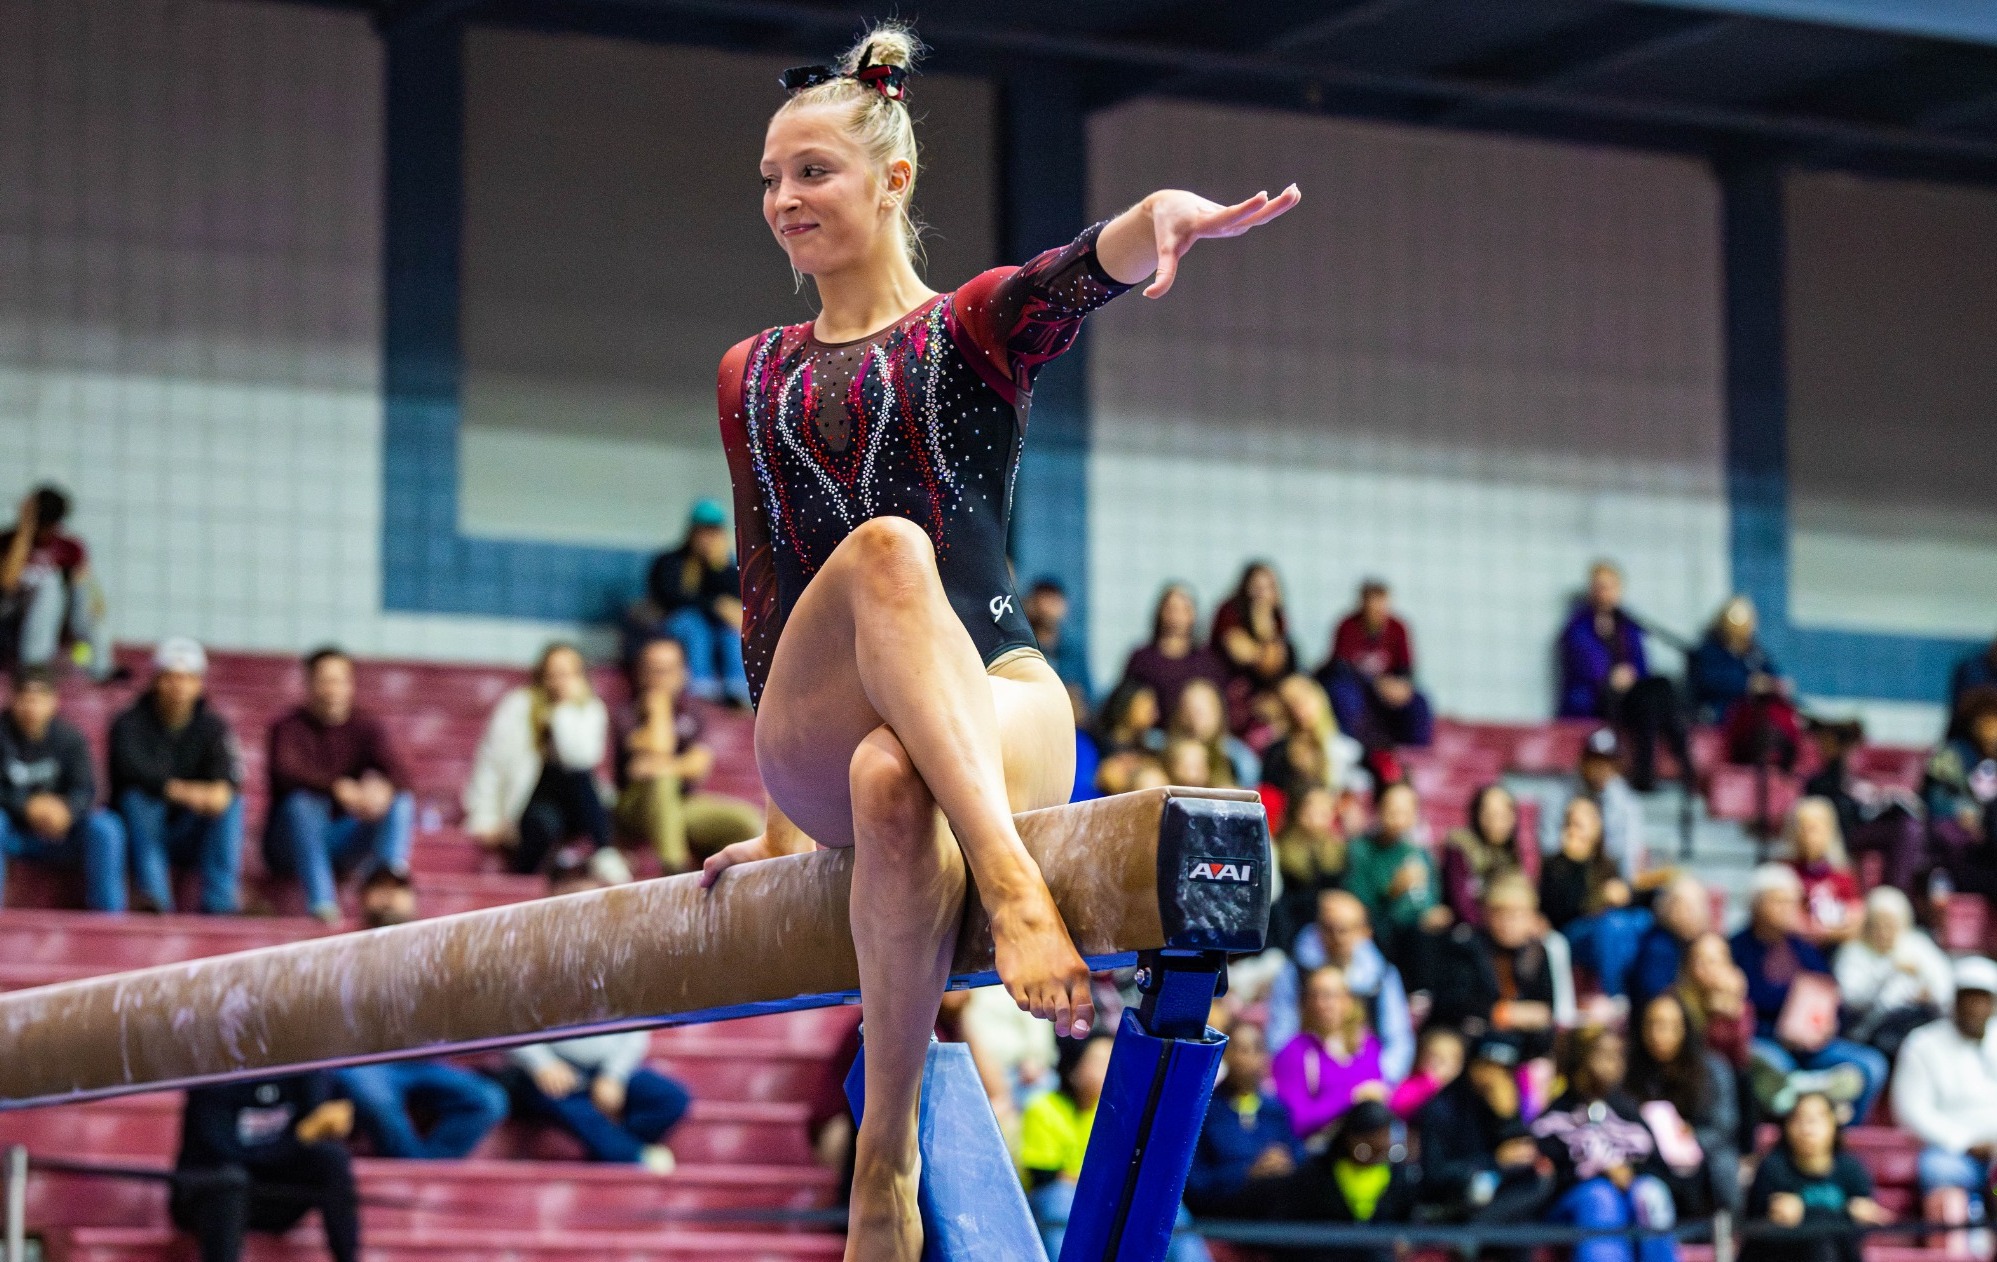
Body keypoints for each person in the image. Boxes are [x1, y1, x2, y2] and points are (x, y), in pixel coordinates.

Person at [694, 24, 1300, 1258]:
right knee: (883, 553)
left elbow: (1066, 277)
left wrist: (1154, 221)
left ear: (890, 178)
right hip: (815, 725)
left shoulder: (962, 334)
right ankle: (1011, 882)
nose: (782, 200)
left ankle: (887, 1160)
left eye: (811, 171)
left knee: (890, 775)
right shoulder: (750, 375)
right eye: (769, 178)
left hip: (997, 700)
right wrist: (771, 830)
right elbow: (766, 592)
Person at [1025, 1031, 1212, 1262]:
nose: (1112, 1068)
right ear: (1073, 1069)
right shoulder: (1044, 1108)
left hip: (1110, 1195)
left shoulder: (1126, 1114)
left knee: (1170, 1206)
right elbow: (1043, 1176)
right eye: (1100, 1061)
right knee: (1059, 1198)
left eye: (1114, 1059)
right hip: (1066, 1200)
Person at [264, 648, 414, 925]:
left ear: (351, 685)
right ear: (308, 684)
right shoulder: (287, 728)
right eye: (325, 680)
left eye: (340, 680)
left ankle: (387, 891)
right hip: (290, 845)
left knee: (399, 802)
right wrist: (337, 788)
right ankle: (323, 905)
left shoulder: (367, 726)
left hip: (344, 840)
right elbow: (286, 773)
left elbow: (401, 776)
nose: (333, 689)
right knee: (302, 805)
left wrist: (381, 791)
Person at [1730, 864, 1888, 1122]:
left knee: (1872, 1065)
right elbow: (1741, 1008)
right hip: (1765, 1041)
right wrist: (1781, 1029)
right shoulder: (1737, 949)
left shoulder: (1804, 949)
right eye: (1777, 901)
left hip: (1813, 1046)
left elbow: (1830, 995)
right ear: (1756, 903)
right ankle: (1809, 1094)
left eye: (1791, 902)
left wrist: (1827, 1025)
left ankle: (1836, 1137)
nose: (1785, 909)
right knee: (1772, 1067)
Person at [112, 638, 243, 915]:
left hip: (190, 830)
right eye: (171, 679)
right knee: (138, 800)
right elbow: (130, 772)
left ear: (198, 684)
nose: (179, 687)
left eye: (187, 679)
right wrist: (185, 792)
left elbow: (226, 779)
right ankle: (156, 900)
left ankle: (220, 903)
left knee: (231, 804)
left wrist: (218, 792)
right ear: (157, 681)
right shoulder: (129, 723)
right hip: (139, 832)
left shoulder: (213, 727)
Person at [172, 1072, 359, 1262]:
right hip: (206, 1198)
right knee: (229, 1180)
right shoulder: (214, 1076)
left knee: (332, 1157)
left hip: (268, 1196)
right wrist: (296, 1140)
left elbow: (316, 1116)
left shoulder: (297, 1069)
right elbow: (221, 1150)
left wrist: (314, 1126)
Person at [612, 637, 762, 873]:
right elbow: (659, 747)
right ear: (641, 673)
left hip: (680, 805)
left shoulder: (693, 712)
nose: (661, 678)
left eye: (668, 670)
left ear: (683, 672)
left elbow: (698, 766)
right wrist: (658, 705)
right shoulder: (626, 714)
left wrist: (663, 767)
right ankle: (674, 868)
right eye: (654, 671)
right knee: (661, 782)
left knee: (746, 821)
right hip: (634, 807)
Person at [1531, 1027, 1679, 1262]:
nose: (1615, 1063)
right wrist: (1603, 1171)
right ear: (1580, 1058)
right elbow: (1548, 1181)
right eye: (1604, 1054)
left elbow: (1663, 1171)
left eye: (1618, 1054)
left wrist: (1630, 1173)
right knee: (1601, 1197)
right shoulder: (1554, 1117)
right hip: (1575, 1205)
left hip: (1632, 1199)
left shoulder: (1628, 1111)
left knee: (1650, 1192)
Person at [464, 642, 611, 876]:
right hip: (533, 805)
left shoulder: (591, 709)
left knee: (580, 779)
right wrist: (486, 816)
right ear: (541, 675)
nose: (560, 681)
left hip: (578, 806)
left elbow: (580, 759)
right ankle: (524, 879)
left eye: (568, 674)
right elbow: (492, 763)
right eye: (553, 674)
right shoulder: (518, 706)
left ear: (581, 676)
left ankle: (604, 852)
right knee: (544, 824)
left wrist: (564, 710)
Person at [0, 666, 126, 910]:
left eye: (39, 698)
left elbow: (85, 790)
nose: (32, 706)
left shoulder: (71, 738)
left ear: (53, 701)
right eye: (25, 697)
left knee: (107, 828)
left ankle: (109, 920)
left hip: (63, 833)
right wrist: (27, 806)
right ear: (13, 699)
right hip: (13, 833)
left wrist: (67, 811)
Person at [1557, 563, 1690, 793]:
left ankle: (1655, 768)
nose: (1605, 592)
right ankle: (1679, 764)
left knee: (1661, 687)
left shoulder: (1627, 624)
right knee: (1649, 699)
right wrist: (1610, 675)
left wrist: (1631, 675)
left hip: (1629, 696)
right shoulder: (1578, 626)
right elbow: (1583, 661)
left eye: (1610, 587)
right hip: (1597, 695)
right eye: (1600, 586)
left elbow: (1641, 663)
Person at [1888, 956, 1997, 1234]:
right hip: (1951, 1151)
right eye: (1968, 998)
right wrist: (1965, 1142)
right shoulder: (1923, 1044)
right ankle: (1961, 1242)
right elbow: (1911, 1111)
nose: (1976, 1008)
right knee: (1940, 1172)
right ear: (1954, 1001)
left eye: (1983, 999)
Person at [1266, 890, 1416, 1081]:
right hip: (1308, 1077)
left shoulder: (1382, 976)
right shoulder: (1295, 971)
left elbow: (1398, 1039)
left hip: (1364, 1080)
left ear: (1365, 932)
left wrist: (1377, 1081)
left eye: (1344, 930)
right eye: (1328, 928)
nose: (1336, 937)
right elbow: (1280, 1033)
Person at [1431, 873, 1576, 1062]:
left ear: (1532, 917)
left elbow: (1546, 1009)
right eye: (1501, 913)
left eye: (1517, 914)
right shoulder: (1467, 946)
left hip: (1525, 1045)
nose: (1509, 922)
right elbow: (1453, 1002)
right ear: (1487, 914)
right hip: (1473, 1043)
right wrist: (1505, 1013)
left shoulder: (1538, 953)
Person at [1257, 1098, 1419, 1262]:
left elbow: (1407, 1221)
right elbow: (1292, 1229)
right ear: (1352, 1138)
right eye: (1373, 1138)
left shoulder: (1398, 1175)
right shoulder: (1317, 1173)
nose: (1383, 1142)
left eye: (1386, 1136)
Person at [1415, 1032, 1551, 1227]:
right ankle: (1471, 1235)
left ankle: (1476, 1234)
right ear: (1472, 1065)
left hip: (1500, 1197)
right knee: (1481, 1187)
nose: (1493, 1077)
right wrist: (1493, 1161)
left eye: (1504, 1070)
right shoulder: (1443, 1107)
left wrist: (1508, 1116)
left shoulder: (1505, 1101)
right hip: (1454, 1199)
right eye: (1488, 1066)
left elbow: (1523, 1152)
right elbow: (1435, 1174)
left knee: (1536, 1182)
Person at [1627, 991, 1741, 1215]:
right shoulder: (1629, 1072)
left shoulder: (1713, 1071)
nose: (1660, 1034)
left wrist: (1690, 1138)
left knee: (1724, 1165)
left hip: (1701, 1165)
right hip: (1648, 1165)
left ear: (1686, 1029)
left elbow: (1724, 1127)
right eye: (1653, 1024)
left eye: (1670, 1026)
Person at [1744, 1091, 1886, 1262]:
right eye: (1799, 1119)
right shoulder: (1772, 1168)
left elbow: (1861, 1226)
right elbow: (1752, 1228)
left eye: (1816, 1119)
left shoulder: (1852, 1169)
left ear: (1834, 1123)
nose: (1807, 1129)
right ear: (1786, 1126)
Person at [1185, 1021, 1303, 1216]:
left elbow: (1299, 1158)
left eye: (1256, 1049)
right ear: (1226, 1055)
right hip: (1224, 1215)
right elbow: (1196, 1182)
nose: (1249, 1058)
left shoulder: (1277, 1111)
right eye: (1241, 1049)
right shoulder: (1204, 1111)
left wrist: (1286, 1164)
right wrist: (1248, 1173)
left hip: (1277, 1215)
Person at [0, 485, 116, 681]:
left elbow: (93, 600)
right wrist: (25, 531)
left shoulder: (69, 547)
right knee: (48, 583)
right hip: (12, 619)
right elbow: (7, 583)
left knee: (70, 584)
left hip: (56, 622)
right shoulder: (9, 541)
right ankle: (34, 666)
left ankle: (101, 668)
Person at [641, 499, 750, 707]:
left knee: (730, 631)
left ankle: (737, 690)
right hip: (675, 622)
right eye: (703, 531)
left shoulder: (724, 565)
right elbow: (672, 598)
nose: (707, 538)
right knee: (694, 625)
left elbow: (733, 600)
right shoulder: (670, 561)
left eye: (713, 532)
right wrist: (714, 604)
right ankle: (701, 689)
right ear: (692, 531)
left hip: (713, 624)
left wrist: (718, 566)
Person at [1803, 718, 1926, 898]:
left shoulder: (1858, 774)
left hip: (1862, 824)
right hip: (1841, 832)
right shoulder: (1821, 780)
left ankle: (1893, 899)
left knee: (1909, 827)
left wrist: (1878, 801)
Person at [1541, 796, 1647, 994]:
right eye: (1572, 822)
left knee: (1643, 920)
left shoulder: (1607, 864)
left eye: (1584, 820)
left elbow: (1630, 900)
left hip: (1607, 928)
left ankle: (1642, 994)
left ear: (1598, 826)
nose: (1576, 827)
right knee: (1611, 926)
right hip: (1571, 933)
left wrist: (1627, 895)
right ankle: (1614, 995)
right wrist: (1576, 864)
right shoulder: (1554, 865)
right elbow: (1559, 913)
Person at [1834, 886, 1952, 1059]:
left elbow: (1946, 987)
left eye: (1889, 925)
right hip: (1872, 1029)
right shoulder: (1853, 951)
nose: (1883, 932)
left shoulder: (1918, 944)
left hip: (1919, 1021)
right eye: (1877, 925)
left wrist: (1929, 993)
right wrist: (1889, 973)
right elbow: (1851, 1000)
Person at [1272, 965, 1388, 1141]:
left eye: (1330, 995)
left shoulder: (1367, 1045)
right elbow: (1295, 1120)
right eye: (1314, 995)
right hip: (1322, 1152)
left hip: (1367, 1150)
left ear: (1348, 1000)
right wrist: (1351, 1097)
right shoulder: (1294, 1052)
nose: (1322, 1003)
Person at [1319, 579, 1433, 752]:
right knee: (1343, 696)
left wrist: (1400, 685)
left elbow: (1406, 667)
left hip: (1388, 686)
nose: (1377, 611)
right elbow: (1340, 667)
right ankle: (1353, 749)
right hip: (1357, 687)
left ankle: (1415, 753)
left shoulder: (1398, 627)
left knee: (1419, 702)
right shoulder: (1347, 626)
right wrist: (1375, 683)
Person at [1690, 596, 1801, 771]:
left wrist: (1776, 684)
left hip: (1757, 716)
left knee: (1780, 717)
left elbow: (1772, 675)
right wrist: (1748, 684)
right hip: (1724, 714)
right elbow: (1707, 681)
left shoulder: (1755, 652)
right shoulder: (1708, 651)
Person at [1341, 781, 1443, 968]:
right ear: (1378, 809)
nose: (1398, 819)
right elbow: (1358, 904)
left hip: (1420, 937)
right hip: (1381, 933)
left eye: (1405, 812)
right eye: (1392, 811)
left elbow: (1431, 899)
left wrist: (1434, 912)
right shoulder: (1360, 849)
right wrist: (1393, 890)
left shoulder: (1418, 852)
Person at [335, 1060, 508, 1160]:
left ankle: (430, 1170)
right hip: (365, 1060)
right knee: (377, 1100)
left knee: (490, 1100)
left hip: (424, 1061)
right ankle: (415, 1170)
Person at [1118, 583, 1227, 724]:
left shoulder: (1208, 661)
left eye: (1184, 609)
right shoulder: (1142, 659)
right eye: (1172, 609)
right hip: (1152, 734)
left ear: (1193, 614)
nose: (1177, 616)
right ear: (1160, 612)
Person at [1212, 562, 1298, 736]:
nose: (1262, 594)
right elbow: (1257, 660)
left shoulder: (1278, 618)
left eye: (1268, 588)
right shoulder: (1230, 613)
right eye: (1257, 587)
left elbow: (1278, 666)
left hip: (1266, 693)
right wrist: (1264, 629)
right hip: (1231, 692)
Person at [1924, 685, 1997, 889]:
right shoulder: (1952, 755)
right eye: (1988, 720)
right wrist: (1967, 815)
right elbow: (1938, 801)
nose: (1993, 728)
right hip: (1958, 837)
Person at [1441, 784, 1536, 930]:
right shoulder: (1460, 847)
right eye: (1489, 813)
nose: (1496, 821)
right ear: (1477, 814)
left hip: (1505, 929)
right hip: (1472, 928)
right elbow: (1463, 905)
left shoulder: (1512, 853)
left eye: (1503, 814)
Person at [1269, 786, 1348, 955]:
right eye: (1310, 808)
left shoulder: (1340, 850)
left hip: (1326, 925)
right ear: (1298, 811)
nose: (1316, 815)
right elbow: (1280, 900)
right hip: (1291, 925)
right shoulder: (1281, 848)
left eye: (1323, 810)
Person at [1260, 674, 1361, 802]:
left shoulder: (1347, 749)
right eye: (1292, 704)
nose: (1300, 711)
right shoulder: (1278, 753)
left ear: (1319, 697)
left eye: (1304, 700)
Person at [1573, 727, 1652, 886]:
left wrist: (1626, 886)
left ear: (1617, 767)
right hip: (1572, 877)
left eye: (1607, 763)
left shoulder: (1626, 802)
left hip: (1613, 879)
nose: (1600, 769)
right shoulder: (1564, 796)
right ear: (1583, 762)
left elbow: (1631, 850)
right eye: (1595, 762)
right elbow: (1551, 848)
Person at [1782, 798, 1862, 949]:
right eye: (1799, 828)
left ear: (1829, 831)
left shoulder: (1843, 874)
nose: (1805, 835)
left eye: (1813, 829)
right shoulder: (1783, 872)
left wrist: (1827, 932)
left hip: (1835, 946)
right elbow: (1782, 917)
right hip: (1795, 947)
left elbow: (1856, 920)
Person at [1628, 876, 1712, 1009]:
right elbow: (1657, 997)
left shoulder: (1690, 943)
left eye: (1699, 908)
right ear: (1668, 909)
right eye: (1687, 909)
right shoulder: (1659, 947)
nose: (1696, 915)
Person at [1164, 677, 1255, 790]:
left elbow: (1250, 795)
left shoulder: (1237, 758)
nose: (1195, 719)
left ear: (1218, 712)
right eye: (1189, 709)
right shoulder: (1165, 751)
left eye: (1202, 711)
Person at [1024, 577, 1092, 708]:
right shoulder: (1022, 646)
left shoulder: (1074, 650)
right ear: (1030, 604)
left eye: (1055, 601)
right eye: (1045, 600)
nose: (1050, 608)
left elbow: (1088, 697)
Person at [1389, 1025, 1465, 1121]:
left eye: (1442, 1060)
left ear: (1457, 1065)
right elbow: (1396, 1105)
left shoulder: (1460, 1093)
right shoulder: (1418, 1083)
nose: (1434, 1063)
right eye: (1430, 1056)